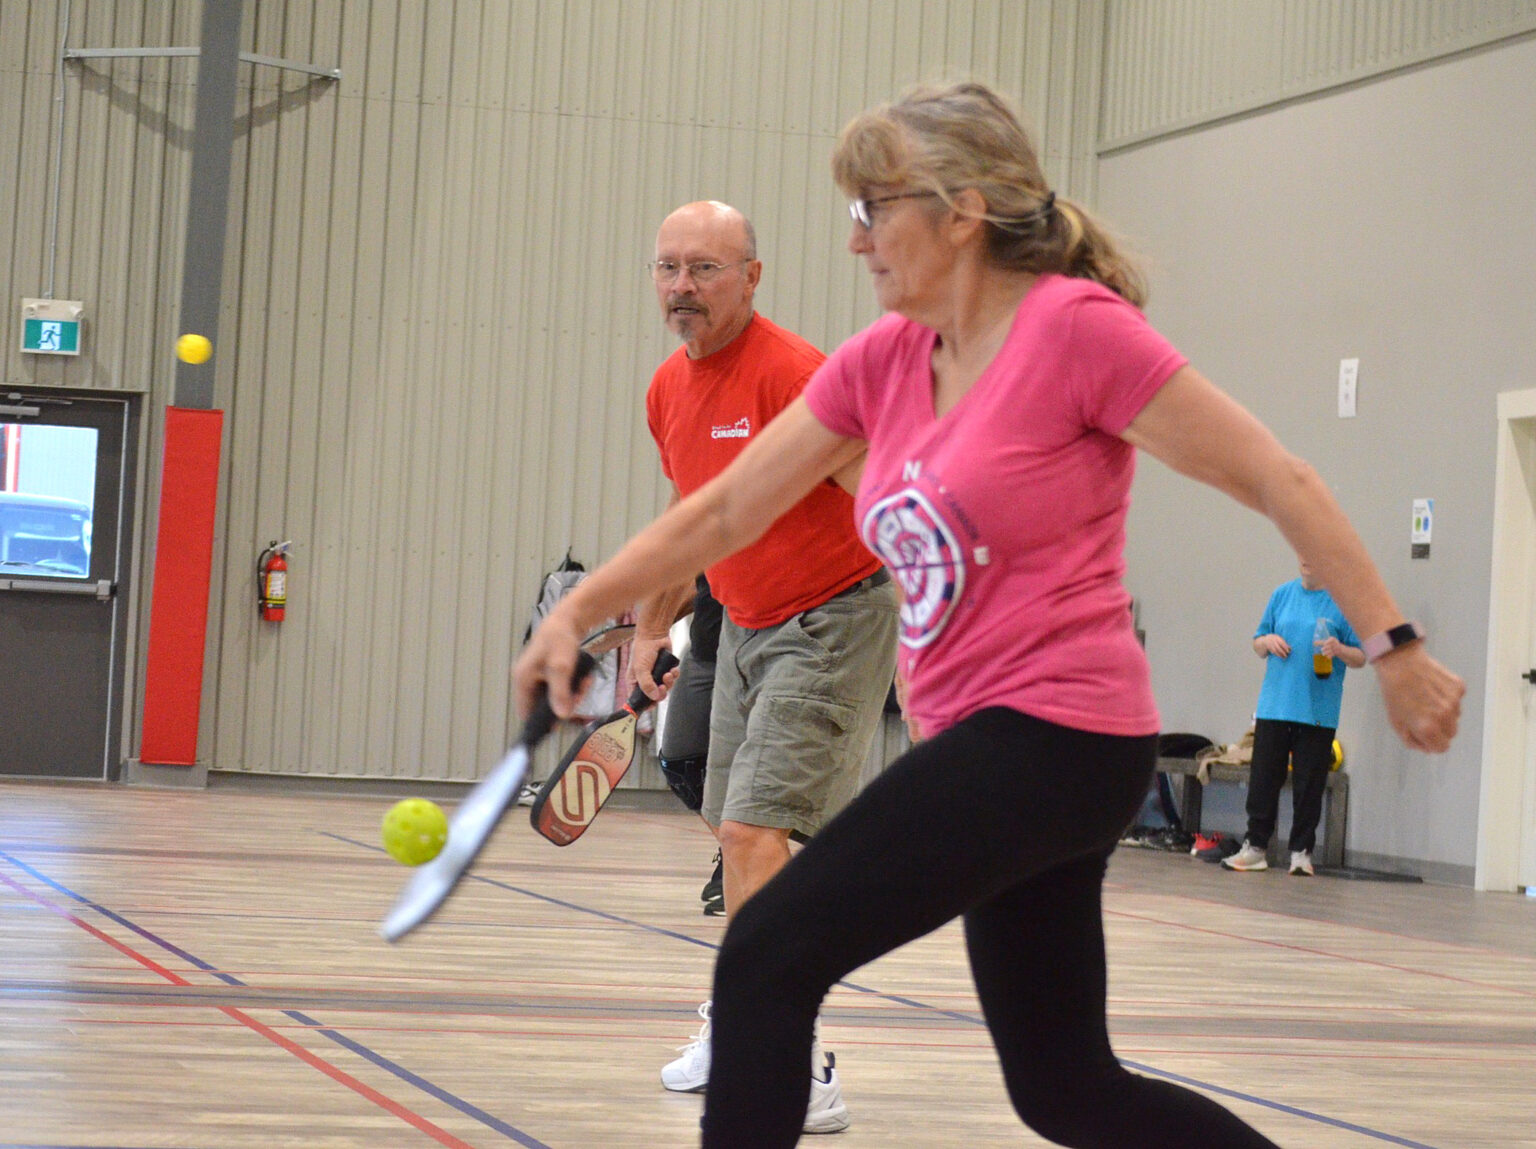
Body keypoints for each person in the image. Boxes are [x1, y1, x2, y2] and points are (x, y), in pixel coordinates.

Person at [515, 83, 1463, 1148]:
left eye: (874, 210)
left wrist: (1397, 647)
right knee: (1065, 1089)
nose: (856, 239)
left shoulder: (1074, 332)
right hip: (992, 743)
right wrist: (587, 611)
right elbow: (727, 506)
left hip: (1062, 733)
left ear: (961, 209)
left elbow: (1280, 479)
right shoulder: (884, 361)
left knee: (767, 955)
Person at [630, 201, 900, 1133]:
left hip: (833, 617)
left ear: (752, 275)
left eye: (704, 269)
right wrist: (645, 635)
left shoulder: (797, 376)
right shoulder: (669, 388)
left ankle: (793, 1054)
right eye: (668, 269)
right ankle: (745, 1015)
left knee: (753, 831)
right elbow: (687, 519)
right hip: (740, 619)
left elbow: (883, 489)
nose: (682, 288)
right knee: (729, 828)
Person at [1223, 561, 1365, 876]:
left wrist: (1339, 649)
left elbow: (1361, 656)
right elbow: (1257, 642)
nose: (1306, 558)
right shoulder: (1281, 595)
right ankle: (1255, 847)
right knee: (1263, 779)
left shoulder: (1341, 603)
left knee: (1308, 783)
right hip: (1275, 705)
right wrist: (1267, 642)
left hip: (1316, 711)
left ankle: (1301, 852)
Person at [657, 574, 727, 915]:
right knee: (680, 765)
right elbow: (698, 586)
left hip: (760, 654)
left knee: (745, 769)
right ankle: (738, 850)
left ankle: (742, 863)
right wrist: (654, 626)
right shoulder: (710, 530)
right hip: (702, 654)